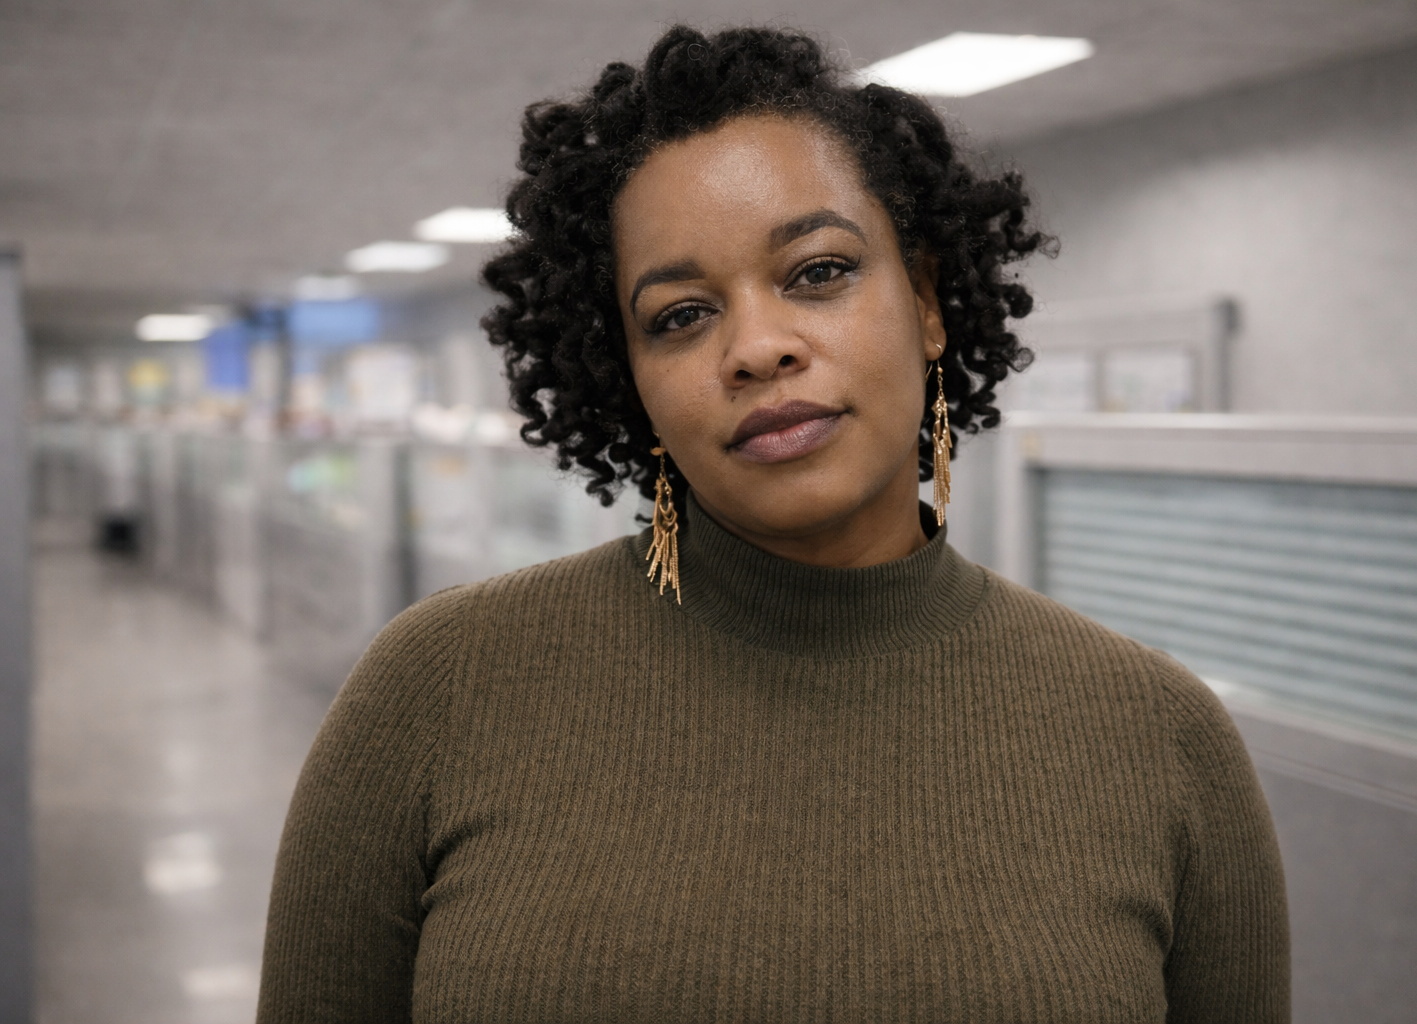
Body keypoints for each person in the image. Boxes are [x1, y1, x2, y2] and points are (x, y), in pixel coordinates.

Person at [258, 25, 1288, 1023]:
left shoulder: (1158, 736)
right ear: (630, 380)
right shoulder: (436, 689)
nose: (757, 346)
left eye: (819, 273)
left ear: (926, 301)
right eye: (680, 315)